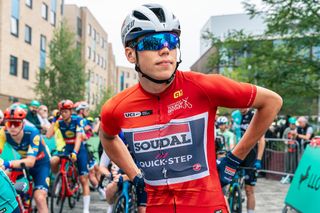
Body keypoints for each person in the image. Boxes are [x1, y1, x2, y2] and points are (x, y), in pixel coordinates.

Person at [99, 3, 282, 212]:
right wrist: (134, 174)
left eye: (172, 41)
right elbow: (107, 136)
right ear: (131, 55)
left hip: (206, 204)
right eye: (153, 42)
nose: (165, 49)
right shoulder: (117, 107)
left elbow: (272, 102)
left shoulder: (203, 87)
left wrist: (234, 159)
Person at [0, 104, 50, 213]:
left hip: (40, 165)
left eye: (16, 123)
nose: (12, 127)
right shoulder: (3, 132)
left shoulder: (32, 132)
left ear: (22, 124)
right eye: (9, 123)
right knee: (8, 182)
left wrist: (6, 164)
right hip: (22, 163)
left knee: (40, 198)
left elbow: (31, 162)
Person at [46, 100, 91, 213]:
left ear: (71, 111)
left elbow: (79, 137)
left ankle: (86, 209)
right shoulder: (59, 121)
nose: (63, 114)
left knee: (83, 178)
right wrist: (54, 121)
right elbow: (48, 135)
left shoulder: (78, 120)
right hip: (67, 148)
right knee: (53, 161)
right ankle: (60, 179)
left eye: (65, 111)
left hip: (79, 148)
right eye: (61, 112)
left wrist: (75, 153)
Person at [239, 108, 266, 213]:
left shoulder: (254, 115)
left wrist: (258, 160)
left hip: (251, 158)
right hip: (238, 155)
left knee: (249, 189)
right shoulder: (236, 116)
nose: (241, 108)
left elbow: (262, 140)